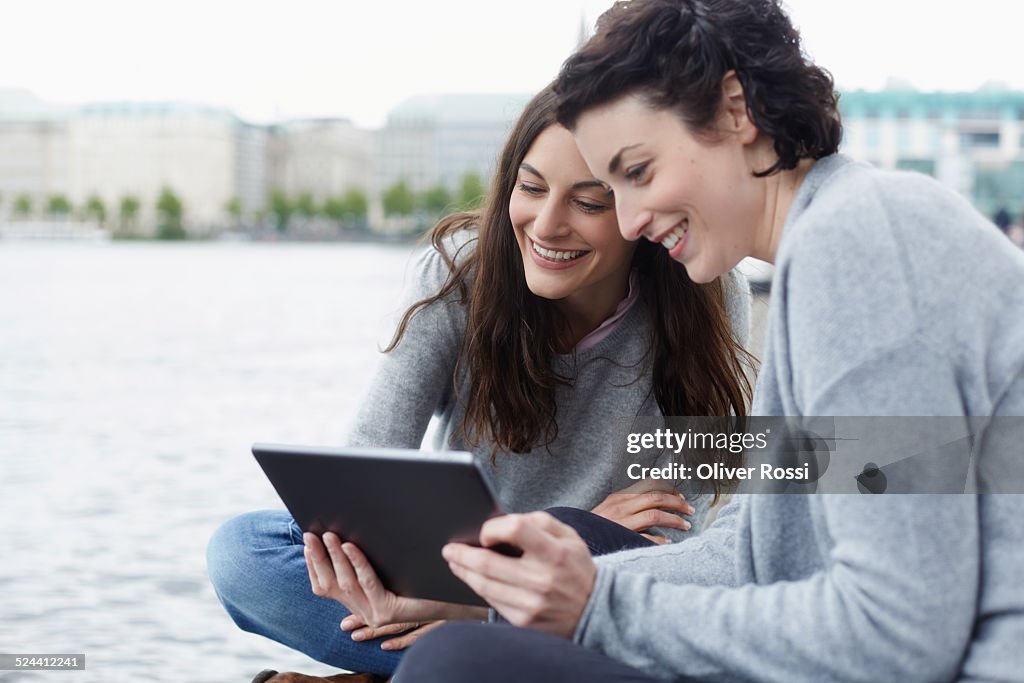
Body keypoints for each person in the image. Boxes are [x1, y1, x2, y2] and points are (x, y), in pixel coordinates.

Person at [372, 1, 1023, 681]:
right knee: (468, 646)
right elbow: (756, 550)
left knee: (459, 662)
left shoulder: (856, 242)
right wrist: (522, 599)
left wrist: (593, 604)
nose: (628, 221)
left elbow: (896, 635)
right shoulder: (839, 234)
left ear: (734, 109)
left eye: (637, 172)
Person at [207, 84, 754, 681]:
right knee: (244, 552)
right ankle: (477, 656)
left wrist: (569, 540)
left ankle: (444, 660)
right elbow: (367, 466)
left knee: (613, 568)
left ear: (638, 210)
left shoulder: (709, 288)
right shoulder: (457, 273)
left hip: (602, 571)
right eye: (531, 187)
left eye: (590, 202)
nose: (547, 225)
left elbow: (681, 522)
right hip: (457, 571)